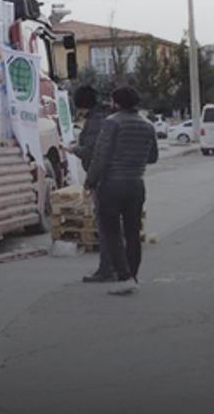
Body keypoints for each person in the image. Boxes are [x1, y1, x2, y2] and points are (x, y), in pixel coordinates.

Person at [86, 86, 158, 296]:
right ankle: (132, 277)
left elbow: (101, 156)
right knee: (132, 232)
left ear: (116, 103)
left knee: (111, 232)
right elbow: (153, 157)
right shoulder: (148, 125)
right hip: (136, 184)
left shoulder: (112, 122)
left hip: (112, 184)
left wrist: (90, 182)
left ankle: (124, 277)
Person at [64, 85, 111, 282]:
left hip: (104, 178)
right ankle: (122, 270)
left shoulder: (94, 122)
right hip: (125, 177)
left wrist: (74, 150)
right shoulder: (107, 116)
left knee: (106, 226)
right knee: (117, 226)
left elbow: (93, 153)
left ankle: (107, 269)